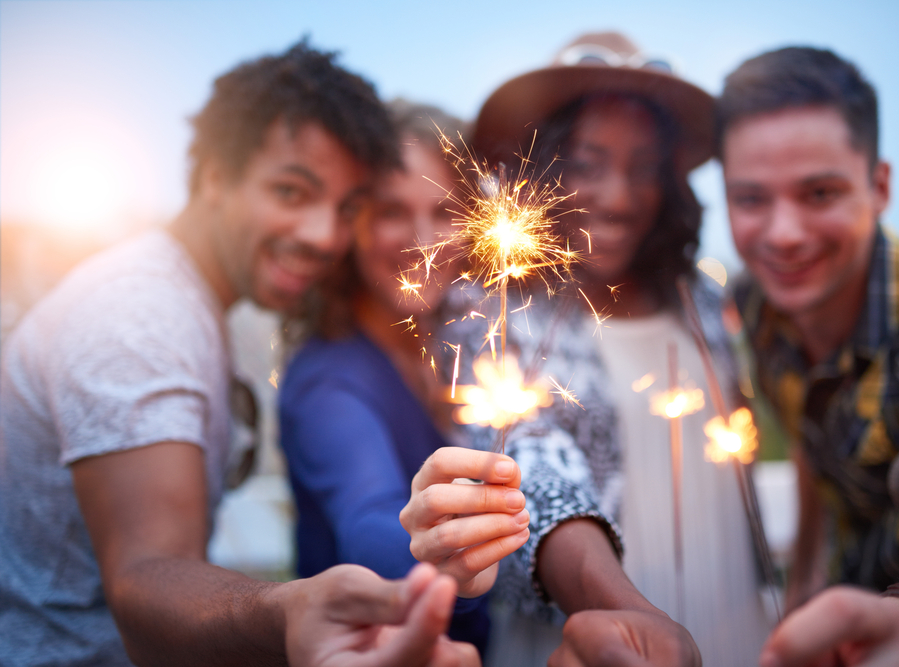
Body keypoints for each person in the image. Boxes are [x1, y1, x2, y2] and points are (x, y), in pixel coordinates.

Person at [0, 42, 478, 667]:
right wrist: (286, 610)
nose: (323, 236)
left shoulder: (185, 300)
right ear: (215, 177)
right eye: (291, 191)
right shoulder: (137, 314)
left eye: (345, 209)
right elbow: (147, 571)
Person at [402, 32, 768, 667]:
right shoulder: (487, 306)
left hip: (734, 616)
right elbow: (529, 469)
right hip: (592, 636)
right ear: (540, 170)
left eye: (644, 166)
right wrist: (630, 614)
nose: (619, 197)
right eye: (587, 164)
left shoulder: (700, 303)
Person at [715, 47, 899, 665]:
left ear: (880, 186)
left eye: (819, 192)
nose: (783, 233)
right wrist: (801, 593)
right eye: (751, 199)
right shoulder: (759, 308)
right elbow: (814, 453)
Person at [279, 100, 494, 657]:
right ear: (353, 223)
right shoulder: (328, 382)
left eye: (444, 212)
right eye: (393, 210)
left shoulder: (456, 346)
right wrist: (453, 563)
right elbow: (368, 520)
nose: (422, 239)